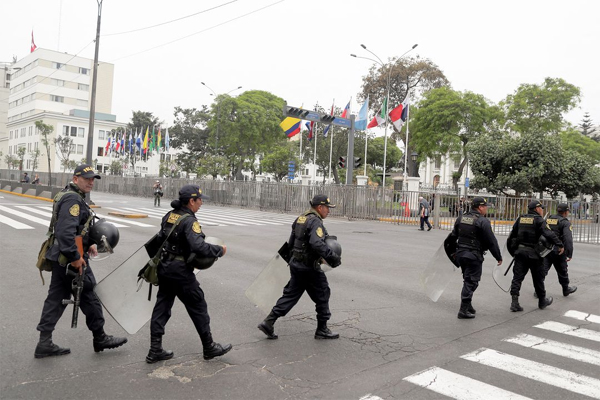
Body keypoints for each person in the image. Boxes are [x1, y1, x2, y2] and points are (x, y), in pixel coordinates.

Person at [34, 164, 127, 358]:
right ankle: (100, 337)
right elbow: (65, 233)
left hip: (62, 257)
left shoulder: (69, 195)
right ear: (76, 179)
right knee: (89, 296)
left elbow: (76, 230)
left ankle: (44, 342)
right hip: (70, 259)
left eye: (93, 179)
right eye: (87, 179)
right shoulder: (73, 200)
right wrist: (76, 257)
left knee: (55, 299)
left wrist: (88, 244)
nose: (91, 182)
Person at [146, 184, 231, 363]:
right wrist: (219, 250)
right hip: (180, 272)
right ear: (191, 201)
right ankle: (209, 347)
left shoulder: (170, 215)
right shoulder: (189, 221)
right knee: (198, 306)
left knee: (162, 308)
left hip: (165, 267)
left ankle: (155, 350)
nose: (201, 203)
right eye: (199, 200)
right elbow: (198, 246)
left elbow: (160, 238)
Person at [257, 194, 342, 340]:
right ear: (320, 207)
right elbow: (317, 243)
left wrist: (292, 261)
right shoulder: (315, 222)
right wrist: (332, 257)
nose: (328, 211)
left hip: (297, 265)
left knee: (290, 295)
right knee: (323, 294)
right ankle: (322, 329)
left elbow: (291, 242)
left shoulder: (301, 218)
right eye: (327, 208)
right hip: (309, 267)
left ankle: (268, 322)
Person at [507, 201, 564, 312]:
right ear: (536, 209)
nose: (542, 210)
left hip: (520, 253)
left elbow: (512, 236)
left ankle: (514, 303)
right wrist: (560, 244)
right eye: (541, 208)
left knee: (517, 278)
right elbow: (549, 233)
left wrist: (514, 252)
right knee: (538, 278)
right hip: (534, 254)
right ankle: (542, 301)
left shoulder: (521, 218)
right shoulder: (539, 220)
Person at [450, 197, 502, 319]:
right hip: (473, 255)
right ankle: (463, 310)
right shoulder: (482, 221)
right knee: (471, 281)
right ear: (480, 207)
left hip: (461, 254)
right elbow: (491, 241)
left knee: (468, 279)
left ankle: (468, 305)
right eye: (485, 207)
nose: (486, 209)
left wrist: (453, 253)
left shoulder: (461, 218)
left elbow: (453, 236)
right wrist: (498, 256)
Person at [542, 203, 576, 297]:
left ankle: (538, 290)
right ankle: (566, 289)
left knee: (543, 270)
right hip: (558, 250)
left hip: (546, 249)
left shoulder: (548, 218)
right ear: (565, 212)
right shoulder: (565, 222)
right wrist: (569, 253)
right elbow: (567, 239)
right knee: (562, 271)